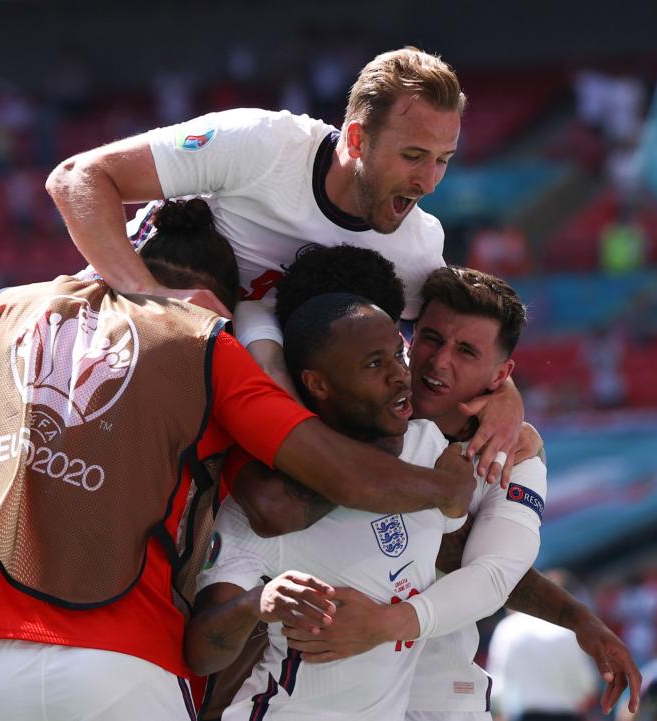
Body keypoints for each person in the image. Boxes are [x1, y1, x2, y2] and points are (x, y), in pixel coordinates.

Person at [0, 200, 473, 720]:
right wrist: (439, 487)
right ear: (211, 293)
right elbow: (318, 476)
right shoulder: (205, 346)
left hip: (1, 665)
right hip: (126, 660)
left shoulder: (17, 308)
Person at [45, 46, 523, 485]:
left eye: (443, 160)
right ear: (357, 139)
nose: (429, 181)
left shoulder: (417, 245)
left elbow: (454, 346)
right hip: (124, 345)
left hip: (243, 393)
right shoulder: (262, 144)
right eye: (413, 156)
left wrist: (506, 398)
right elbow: (76, 178)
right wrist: (149, 297)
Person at [205, 249, 639, 719]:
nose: (438, 362)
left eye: (467, 352)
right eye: (430, 339)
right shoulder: (345, 403)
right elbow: (276, 506)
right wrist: (437, 491)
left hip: (441, 690)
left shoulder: (516, 455)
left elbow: (492, 574)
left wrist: (385, 624)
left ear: (501, 375)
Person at [186, 292, 471, 720]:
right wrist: (255, 604)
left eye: (399, 353)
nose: (400, 375)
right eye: (374, 364)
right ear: (318, 384)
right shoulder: (270, 506)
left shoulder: (429, 447)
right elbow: (202, 654)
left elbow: (470, 560)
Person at [487, 570, 600, 721]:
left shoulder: (507, 629)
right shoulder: (566, 629)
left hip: (525, 715)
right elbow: (587, 683)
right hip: (567, 715)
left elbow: (497, 686)